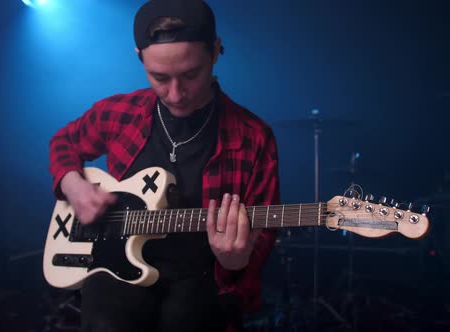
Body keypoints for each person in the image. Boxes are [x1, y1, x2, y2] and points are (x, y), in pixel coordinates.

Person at [48, 0, 280, 331]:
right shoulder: (117, 113)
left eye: (190, 74)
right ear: (139, 57)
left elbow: (264, 232)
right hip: (115, 266)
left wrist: (236, 260)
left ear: (215, 51)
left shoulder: (255, 137)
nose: (175, 94)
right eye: (159, 77)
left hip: (202, 275)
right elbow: (63, 143)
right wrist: (74, 185)